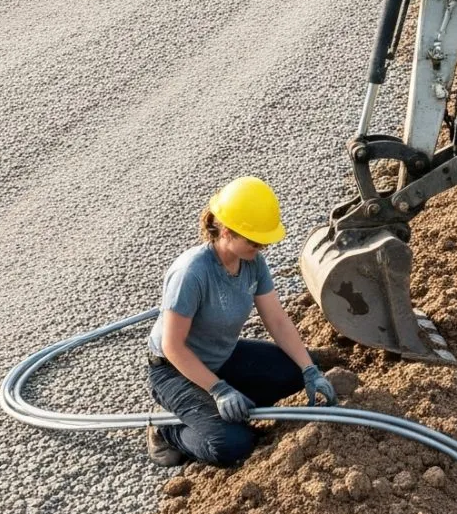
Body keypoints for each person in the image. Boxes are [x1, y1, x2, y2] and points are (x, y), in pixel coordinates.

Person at [144, 176, 340, 468]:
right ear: (225, 231)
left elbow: (276, 319)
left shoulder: (252, 262)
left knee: (296, 369)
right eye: (254, 240)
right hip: (175, 371)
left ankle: (216, 409)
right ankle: (167, 429)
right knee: (232, 444)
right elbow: (173, 346)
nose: (260, 247)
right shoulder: (192, 273)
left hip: (221, 356)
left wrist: (309, 370)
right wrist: (219, 390)